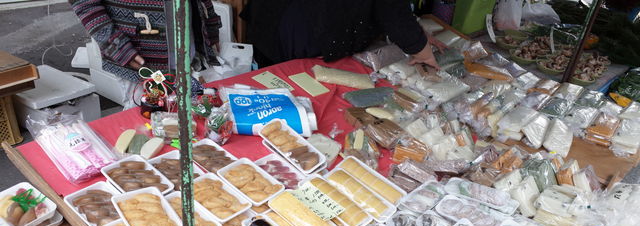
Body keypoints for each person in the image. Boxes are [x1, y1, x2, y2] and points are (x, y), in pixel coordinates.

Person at [241, 0, 442, 68]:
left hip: (270, 18)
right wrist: (423, 52)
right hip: (297, 31)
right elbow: (392, 10)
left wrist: (416, 32)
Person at [69, 0, 223, 82]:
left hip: (190, 52)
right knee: (146, 121)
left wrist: (210, 24)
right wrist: (115, 45)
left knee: (190, 120)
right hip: (138, 58)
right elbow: (83, 2)